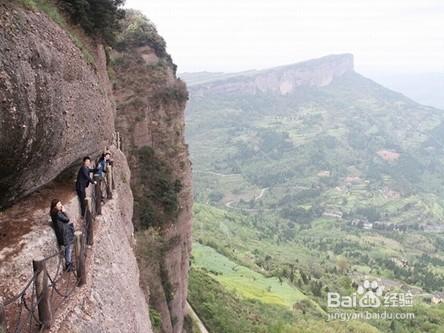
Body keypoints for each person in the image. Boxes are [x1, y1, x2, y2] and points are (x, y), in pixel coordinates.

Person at [49, 199, 74, 271]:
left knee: (68, 248)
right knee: (68, 248)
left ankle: (68, 263)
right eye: (59, 204)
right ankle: (68, 265)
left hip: (61, 233)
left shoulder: (53, 213)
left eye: (60, 203)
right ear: (55, 206)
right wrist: (64, 211)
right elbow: (67, 219)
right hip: (64, 233)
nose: (61, 205)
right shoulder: (58, 213)